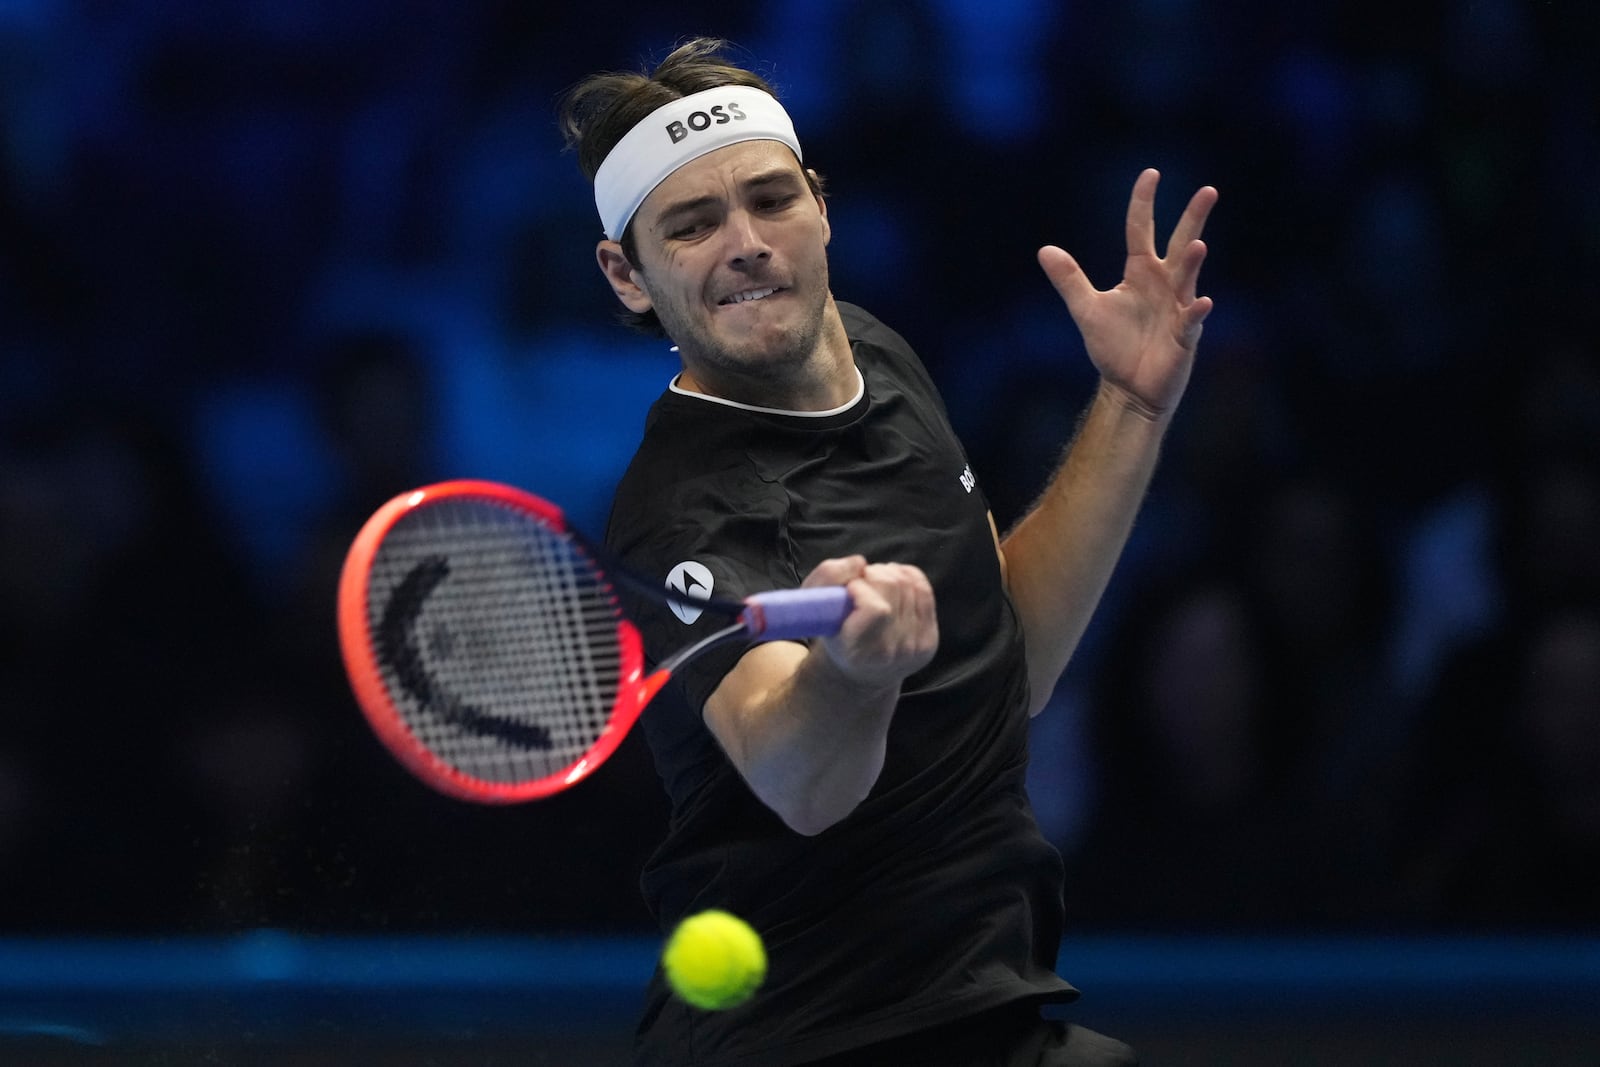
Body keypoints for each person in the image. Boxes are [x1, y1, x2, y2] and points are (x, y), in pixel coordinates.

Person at [558, 37, 1215, 1067]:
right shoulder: (681, 508)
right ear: (626, 275)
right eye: (690, 225)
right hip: (815, 1037)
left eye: (770, 200)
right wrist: (853, 675)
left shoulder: (877, 352)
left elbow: (1014, 662)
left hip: (983, 1009)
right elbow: (798, 774)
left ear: (820, 205)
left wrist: (1131, 406)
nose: (745, 243)